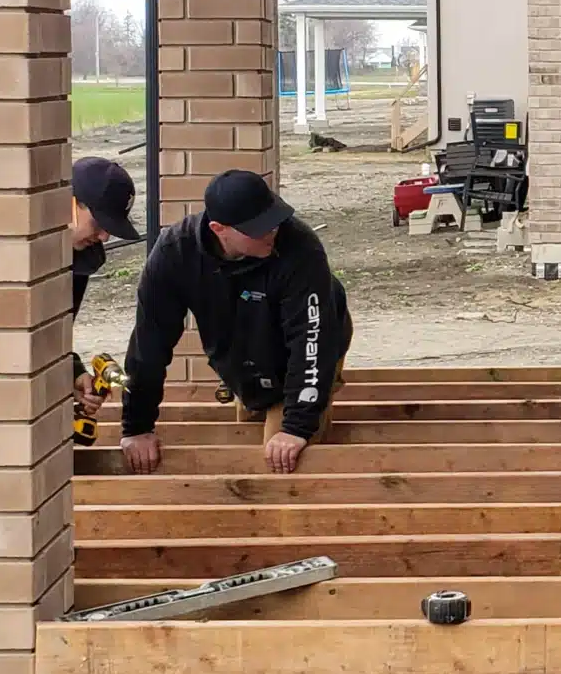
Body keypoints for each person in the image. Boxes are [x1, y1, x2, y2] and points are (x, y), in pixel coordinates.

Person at [120, 170, 351, 476]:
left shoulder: (299, 249)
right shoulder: (175, 254)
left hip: (313, 346)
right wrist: (136, 427)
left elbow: (311, 342)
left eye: (274, 221)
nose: (272, 232)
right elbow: (149, 345)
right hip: (242, 355)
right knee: (250, 433)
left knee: (281, 461)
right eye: (258, 229)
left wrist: (297, 427)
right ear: (219, 229)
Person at [70, 154, 140, 431]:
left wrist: (73, 373)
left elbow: (52, 334)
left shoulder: (82, 257)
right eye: (99, 224)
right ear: (71, 203)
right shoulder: (16, 254)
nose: (105, 237)